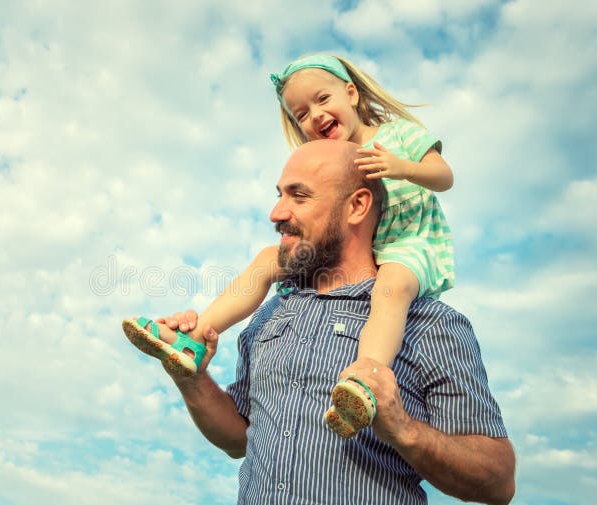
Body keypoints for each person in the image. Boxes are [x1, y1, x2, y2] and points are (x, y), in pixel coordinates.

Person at [146, 140, 515, 505]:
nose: (276, 213)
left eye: (299, 196)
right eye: (279, 195)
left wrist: (403, 429)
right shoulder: (270, 314)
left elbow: (498, 482)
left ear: (357, 206)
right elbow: (239, 438)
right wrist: (190, 377)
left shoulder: (429, 324)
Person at [123, 53, 455, 439]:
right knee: (268, 259)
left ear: (351, 93)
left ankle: (366, 378)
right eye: (302, 113)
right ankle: (195, 340)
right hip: (360, 254)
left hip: (405, 244)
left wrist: (403, 167)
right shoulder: (329, 160)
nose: (315, 115)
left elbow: (443, 176)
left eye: (323, 100)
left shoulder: (397, 136)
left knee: (391, 287)